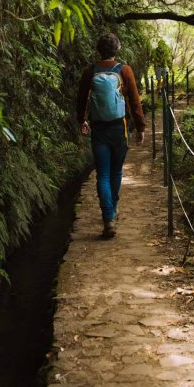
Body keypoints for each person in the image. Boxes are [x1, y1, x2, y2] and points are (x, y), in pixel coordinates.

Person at [77, 33, 145, 239]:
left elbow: (81, 100)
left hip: (99, 130)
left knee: (103, 174)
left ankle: (108, 218)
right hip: (119, 129)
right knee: (115, 172)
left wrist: (82, 121)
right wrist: (140, 128)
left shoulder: (90, 71)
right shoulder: (124, 70)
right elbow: (134, 101)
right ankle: (112, 211)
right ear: (117, 50)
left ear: (99, 50)